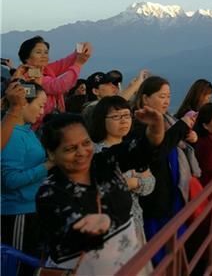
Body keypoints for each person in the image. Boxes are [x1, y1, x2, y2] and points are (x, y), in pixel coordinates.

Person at [36, 108, 188, 274]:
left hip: (130, 263)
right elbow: (68, 233)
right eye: (70, 149)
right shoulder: (49, 192)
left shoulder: (104, 162)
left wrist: (155, 129)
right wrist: (100, 225)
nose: (81, 152)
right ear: (51, 153)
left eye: (86, 143)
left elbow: (143, 151)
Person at [131, 76, 199, 265]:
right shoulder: (139, 125)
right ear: (145, 99)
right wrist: (182, 126)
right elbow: (158, 151)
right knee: (161, 256)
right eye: (162, 96)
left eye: (168, 96)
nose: (167, 101)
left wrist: (188, 136)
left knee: (176, 250)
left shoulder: (167, 119)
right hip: (155, 203)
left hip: (172, 197)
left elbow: (171, 145)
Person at [91, 95, 156, 264]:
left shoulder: (132, 147)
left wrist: (134, 182)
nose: (124, 121)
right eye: (116, 117)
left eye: (127, 115)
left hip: (135, 221)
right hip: (109, 230)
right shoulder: (94, 152)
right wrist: (134, 181)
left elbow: (150, 184)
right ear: (101, 120)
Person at [1, 81, 52, 275]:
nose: (42, 111)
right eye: (39, 105)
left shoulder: (26, 131)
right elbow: (11, 181)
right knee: (18, 268)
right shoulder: (12, 134)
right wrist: (47, 165)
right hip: (17, 212)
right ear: (23, 103)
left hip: (30, 208)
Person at [13, 36, 92, 128]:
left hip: (46, 121)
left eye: (46, 52)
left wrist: (81, 50)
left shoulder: (45, 69)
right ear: (26, 57)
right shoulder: (30, 75)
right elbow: (60, 85)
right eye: (38, 52)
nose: (44, 55)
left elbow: (65, 62)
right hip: (38, 126)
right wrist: (78, 64)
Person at [82, 69, 149, 126]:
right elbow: (114, 104)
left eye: (113, 83)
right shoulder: (90, 108)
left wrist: (131, 88)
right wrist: (137, 83)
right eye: (107, 84)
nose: (113, 86)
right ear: (96, 91)